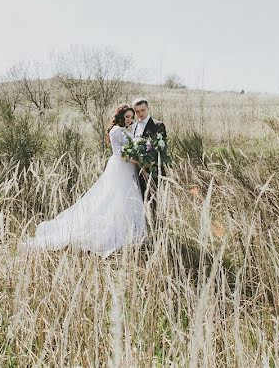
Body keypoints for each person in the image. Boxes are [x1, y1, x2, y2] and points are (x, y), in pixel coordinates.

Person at [19, 104, 146, 257]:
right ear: (120, 116)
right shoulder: (116, 131)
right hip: (120, 167)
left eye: (131, 117)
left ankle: (133, 233)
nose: (129, 119)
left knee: (129, 200)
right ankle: (114, 233)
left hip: (128, 169)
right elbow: (119, 153)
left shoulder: (127, 130)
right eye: (127, 116)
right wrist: (138, 161)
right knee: (115, 199)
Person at [130, 97, 168, 231]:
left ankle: (159, 230)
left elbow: (160, 149)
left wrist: (147, 165)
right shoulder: (133, 127)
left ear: (148, 108)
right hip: (137, 170)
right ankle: (144, 230)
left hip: (153, 170)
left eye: (143, 110)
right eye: (137, 111)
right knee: (140, 201)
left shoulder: (158, 125)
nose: (140, 114)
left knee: (155, 201)